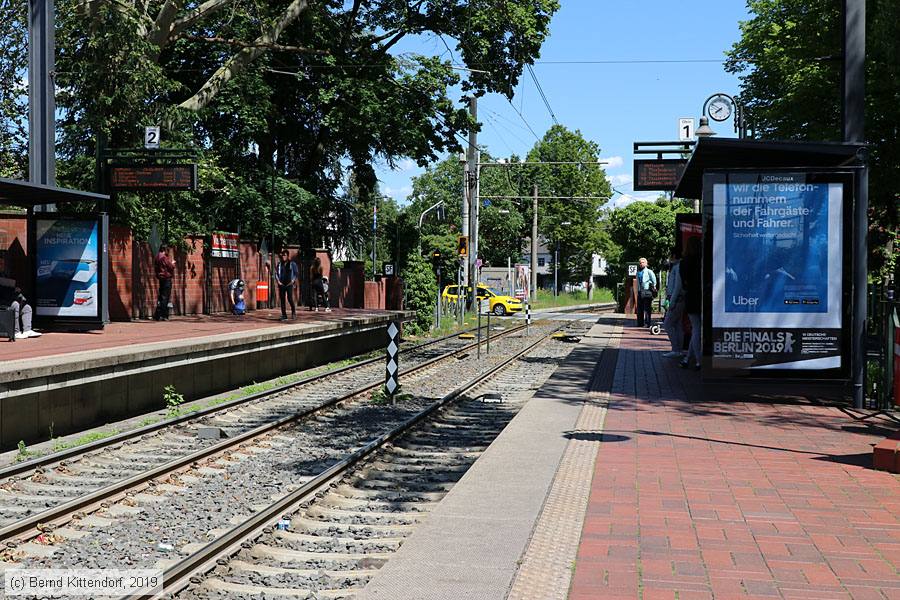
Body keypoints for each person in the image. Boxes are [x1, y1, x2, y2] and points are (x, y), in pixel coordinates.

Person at [679, 237, 702, 370]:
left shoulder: (684, 262)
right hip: (702, 296)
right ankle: (698, 360)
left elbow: (684, 284)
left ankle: (688, 359)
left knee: (696, 328)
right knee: (697, 329)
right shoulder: (702, 260)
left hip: (691, 298)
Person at [661, 249, 684, 358]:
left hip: (676, 299)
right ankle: (679, 349)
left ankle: (675, 349)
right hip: (679, 299)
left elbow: (677, 287)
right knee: (678, 325)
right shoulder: (677, 267)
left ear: (674, 255)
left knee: (668, 324)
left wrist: (672, 301)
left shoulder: (678, 267)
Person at [153, 245, 175, 321]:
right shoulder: (164, 258)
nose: (167, 252)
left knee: (161, 296)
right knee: (165, 297)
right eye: (167, 250)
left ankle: (158, 314)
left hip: (160, 278)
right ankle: (163, 315)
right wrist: (172, 263)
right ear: (164, 250)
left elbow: (156, 268)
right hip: (166, 278)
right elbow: (170, 267)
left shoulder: (157, 257)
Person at [276, 250, 298, 321]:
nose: (283, 256)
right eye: (282, 255)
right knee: (282, 299)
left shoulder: (292, 264)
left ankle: (293, 312)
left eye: (284, 255)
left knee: (290, 298)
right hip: (282, 283)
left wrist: (293, 280)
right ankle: (284, 315)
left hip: (289, 283)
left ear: (288, 256)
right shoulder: (279, 264)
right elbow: (276, 273)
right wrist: (278, 281)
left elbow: (295, 273)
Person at [635, 257, 657, 328]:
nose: (641, 264)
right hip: (640, 291)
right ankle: (640, 323)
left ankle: (647, 323)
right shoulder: (638, 272)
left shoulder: (649, 271)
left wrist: (653, 287)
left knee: (647, 309)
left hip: (647, 291)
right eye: (640, 263)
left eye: (643, 262)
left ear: (646, 263)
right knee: (639, 308)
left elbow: (654, 280)